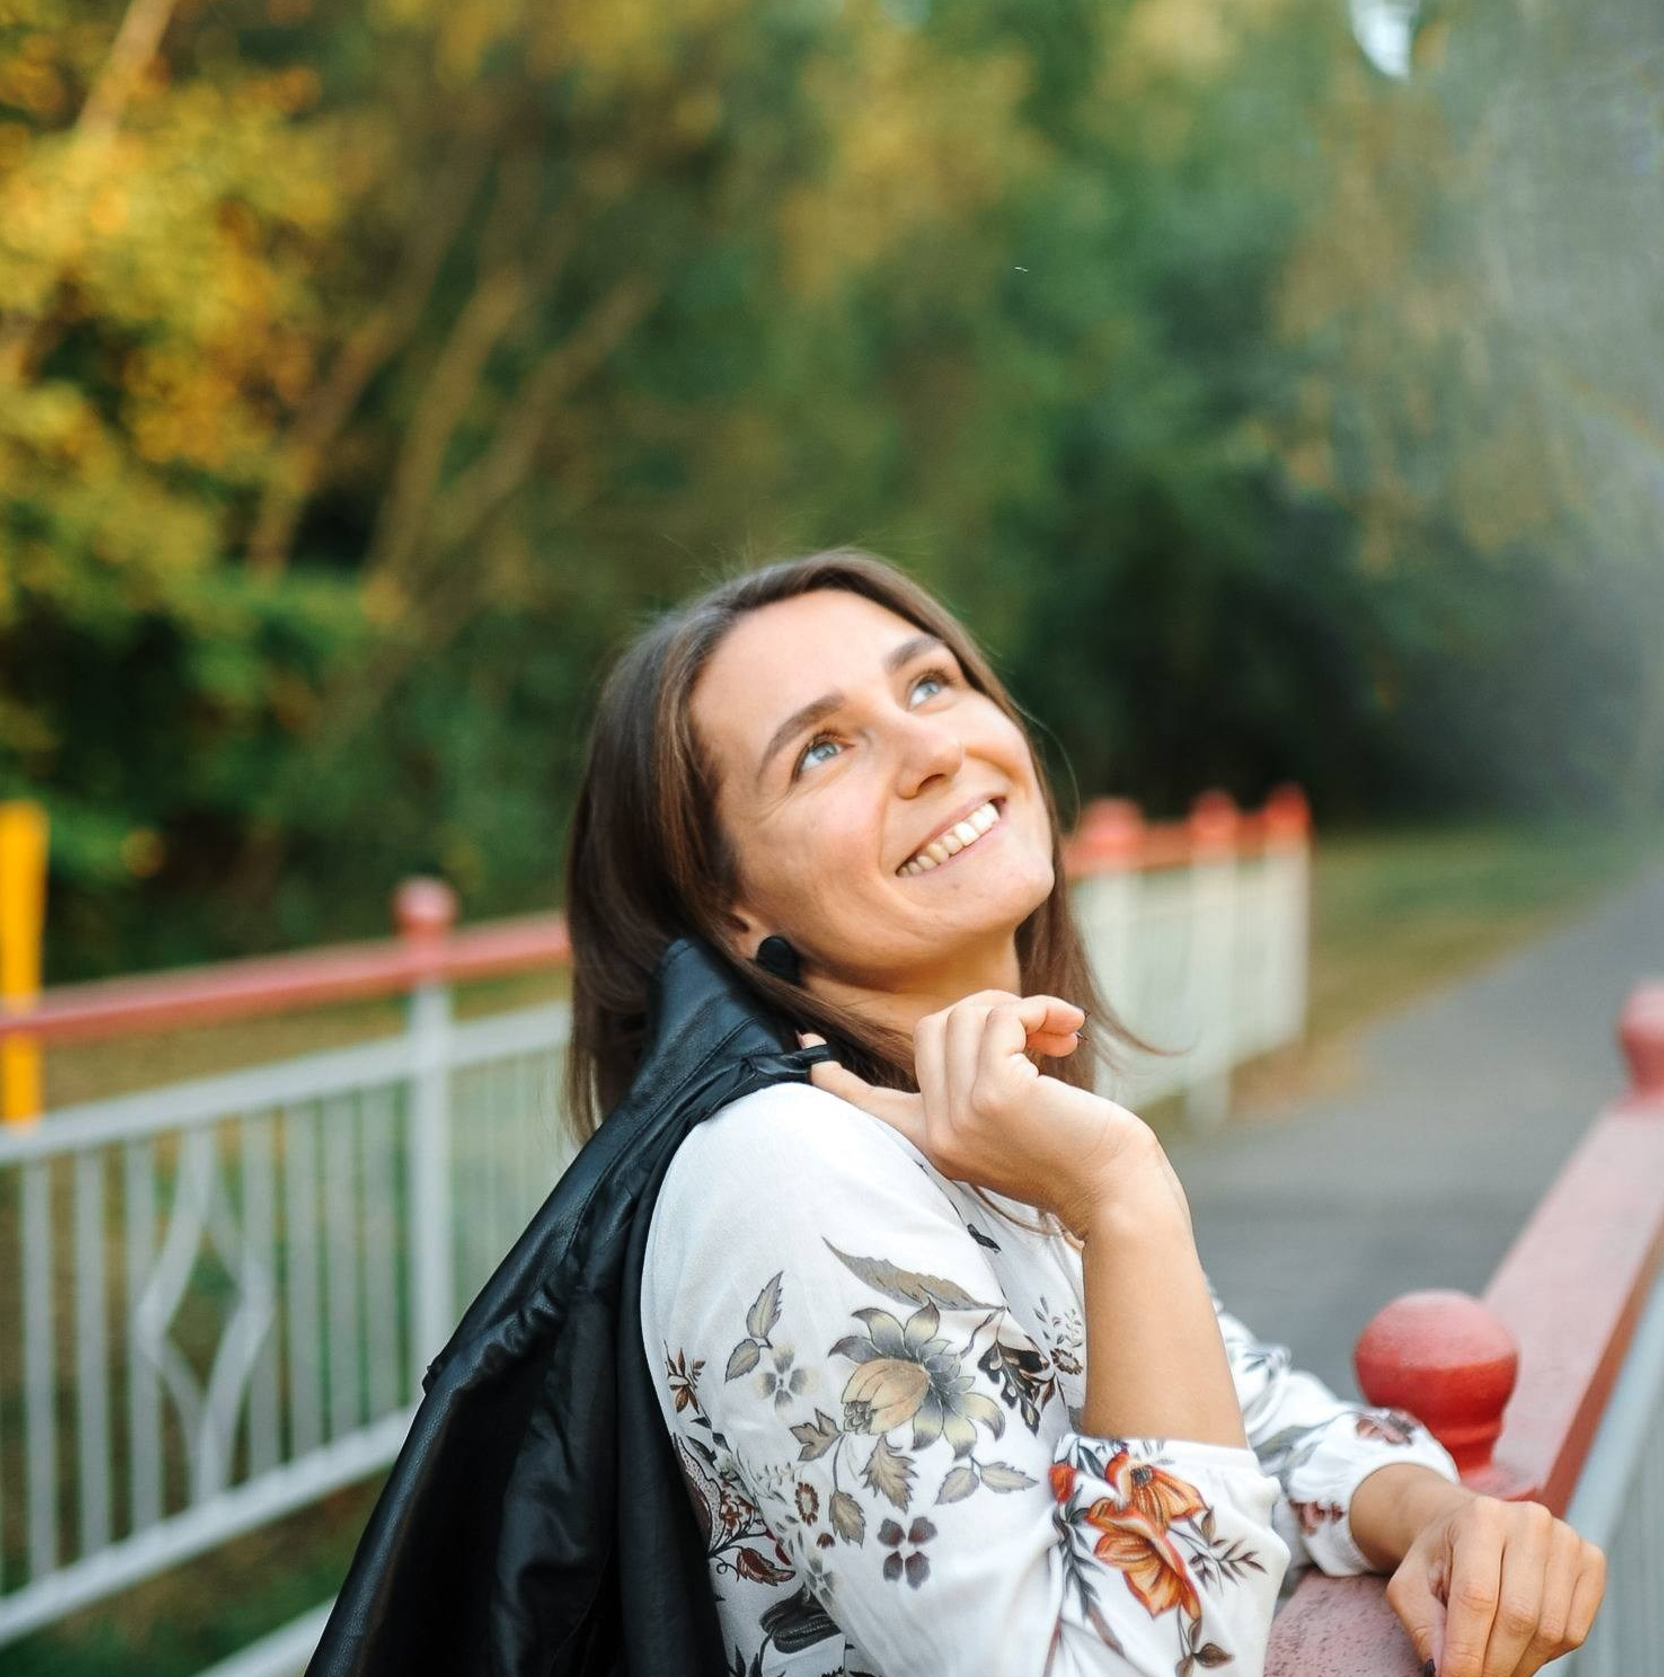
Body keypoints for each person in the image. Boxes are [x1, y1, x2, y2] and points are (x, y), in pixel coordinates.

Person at [565, 546, 1606, 1677]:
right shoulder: (784, 1174)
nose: (932, 751)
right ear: (728, 905)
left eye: (930, 685)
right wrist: (1125, 1198)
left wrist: (1431, 1512)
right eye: (823, 749)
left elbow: (1238, 1407)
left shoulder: (959, 1132)